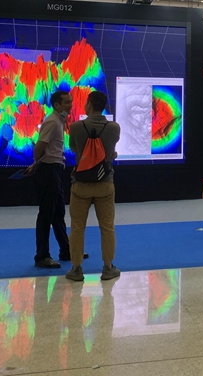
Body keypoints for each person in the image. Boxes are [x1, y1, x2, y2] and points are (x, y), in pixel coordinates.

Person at [65, 91, 121, 282]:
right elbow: (109, 151)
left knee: (77, 227)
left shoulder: (76, 126)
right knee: (107, 227)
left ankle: (76, 268)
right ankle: (108, 267)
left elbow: (74, 148)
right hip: (105, 183)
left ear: (89, 104)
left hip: (80, 184)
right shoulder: (114, 127)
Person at [26, 90, 73, 268]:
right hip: (49, 171)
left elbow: (46, 149)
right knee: (46, 214)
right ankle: (42, 256)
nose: (70, 105)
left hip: (54, 170)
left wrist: (36, 164)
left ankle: (66, 250)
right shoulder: (53, 121)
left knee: (58, 213)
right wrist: (38, 162)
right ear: (57, 105)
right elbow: (39, 147)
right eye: (67, 102)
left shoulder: (59, 120)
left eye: (71, 102)